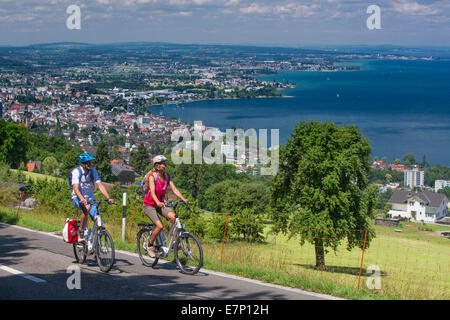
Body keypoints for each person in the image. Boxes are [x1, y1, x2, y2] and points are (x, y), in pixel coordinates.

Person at [143, 155, 188, 258]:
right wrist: (158, 201)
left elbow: (174, 189)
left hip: (160, 204)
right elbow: (153, 192)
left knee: (173, 217)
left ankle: (172, 242)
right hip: (149, 205)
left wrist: (183, 198)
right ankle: (149, 245)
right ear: (157, 166)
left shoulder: (167, 176)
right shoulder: (152, 177)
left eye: (165, 164)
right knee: (160, 226)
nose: (165, 166)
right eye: (163, 164)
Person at [71, 152, 115, 243]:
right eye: (88, 162)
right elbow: (76, 188)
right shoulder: (76, 172)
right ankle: (81, 233)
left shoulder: (93, 171)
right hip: (77, 197)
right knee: (86, 209)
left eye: (91, 162)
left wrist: (108, 197)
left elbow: (100, 185)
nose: (91, 164)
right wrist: (82, 199)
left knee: (97, 218)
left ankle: (96, 243)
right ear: (83, 164)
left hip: (90, 198)